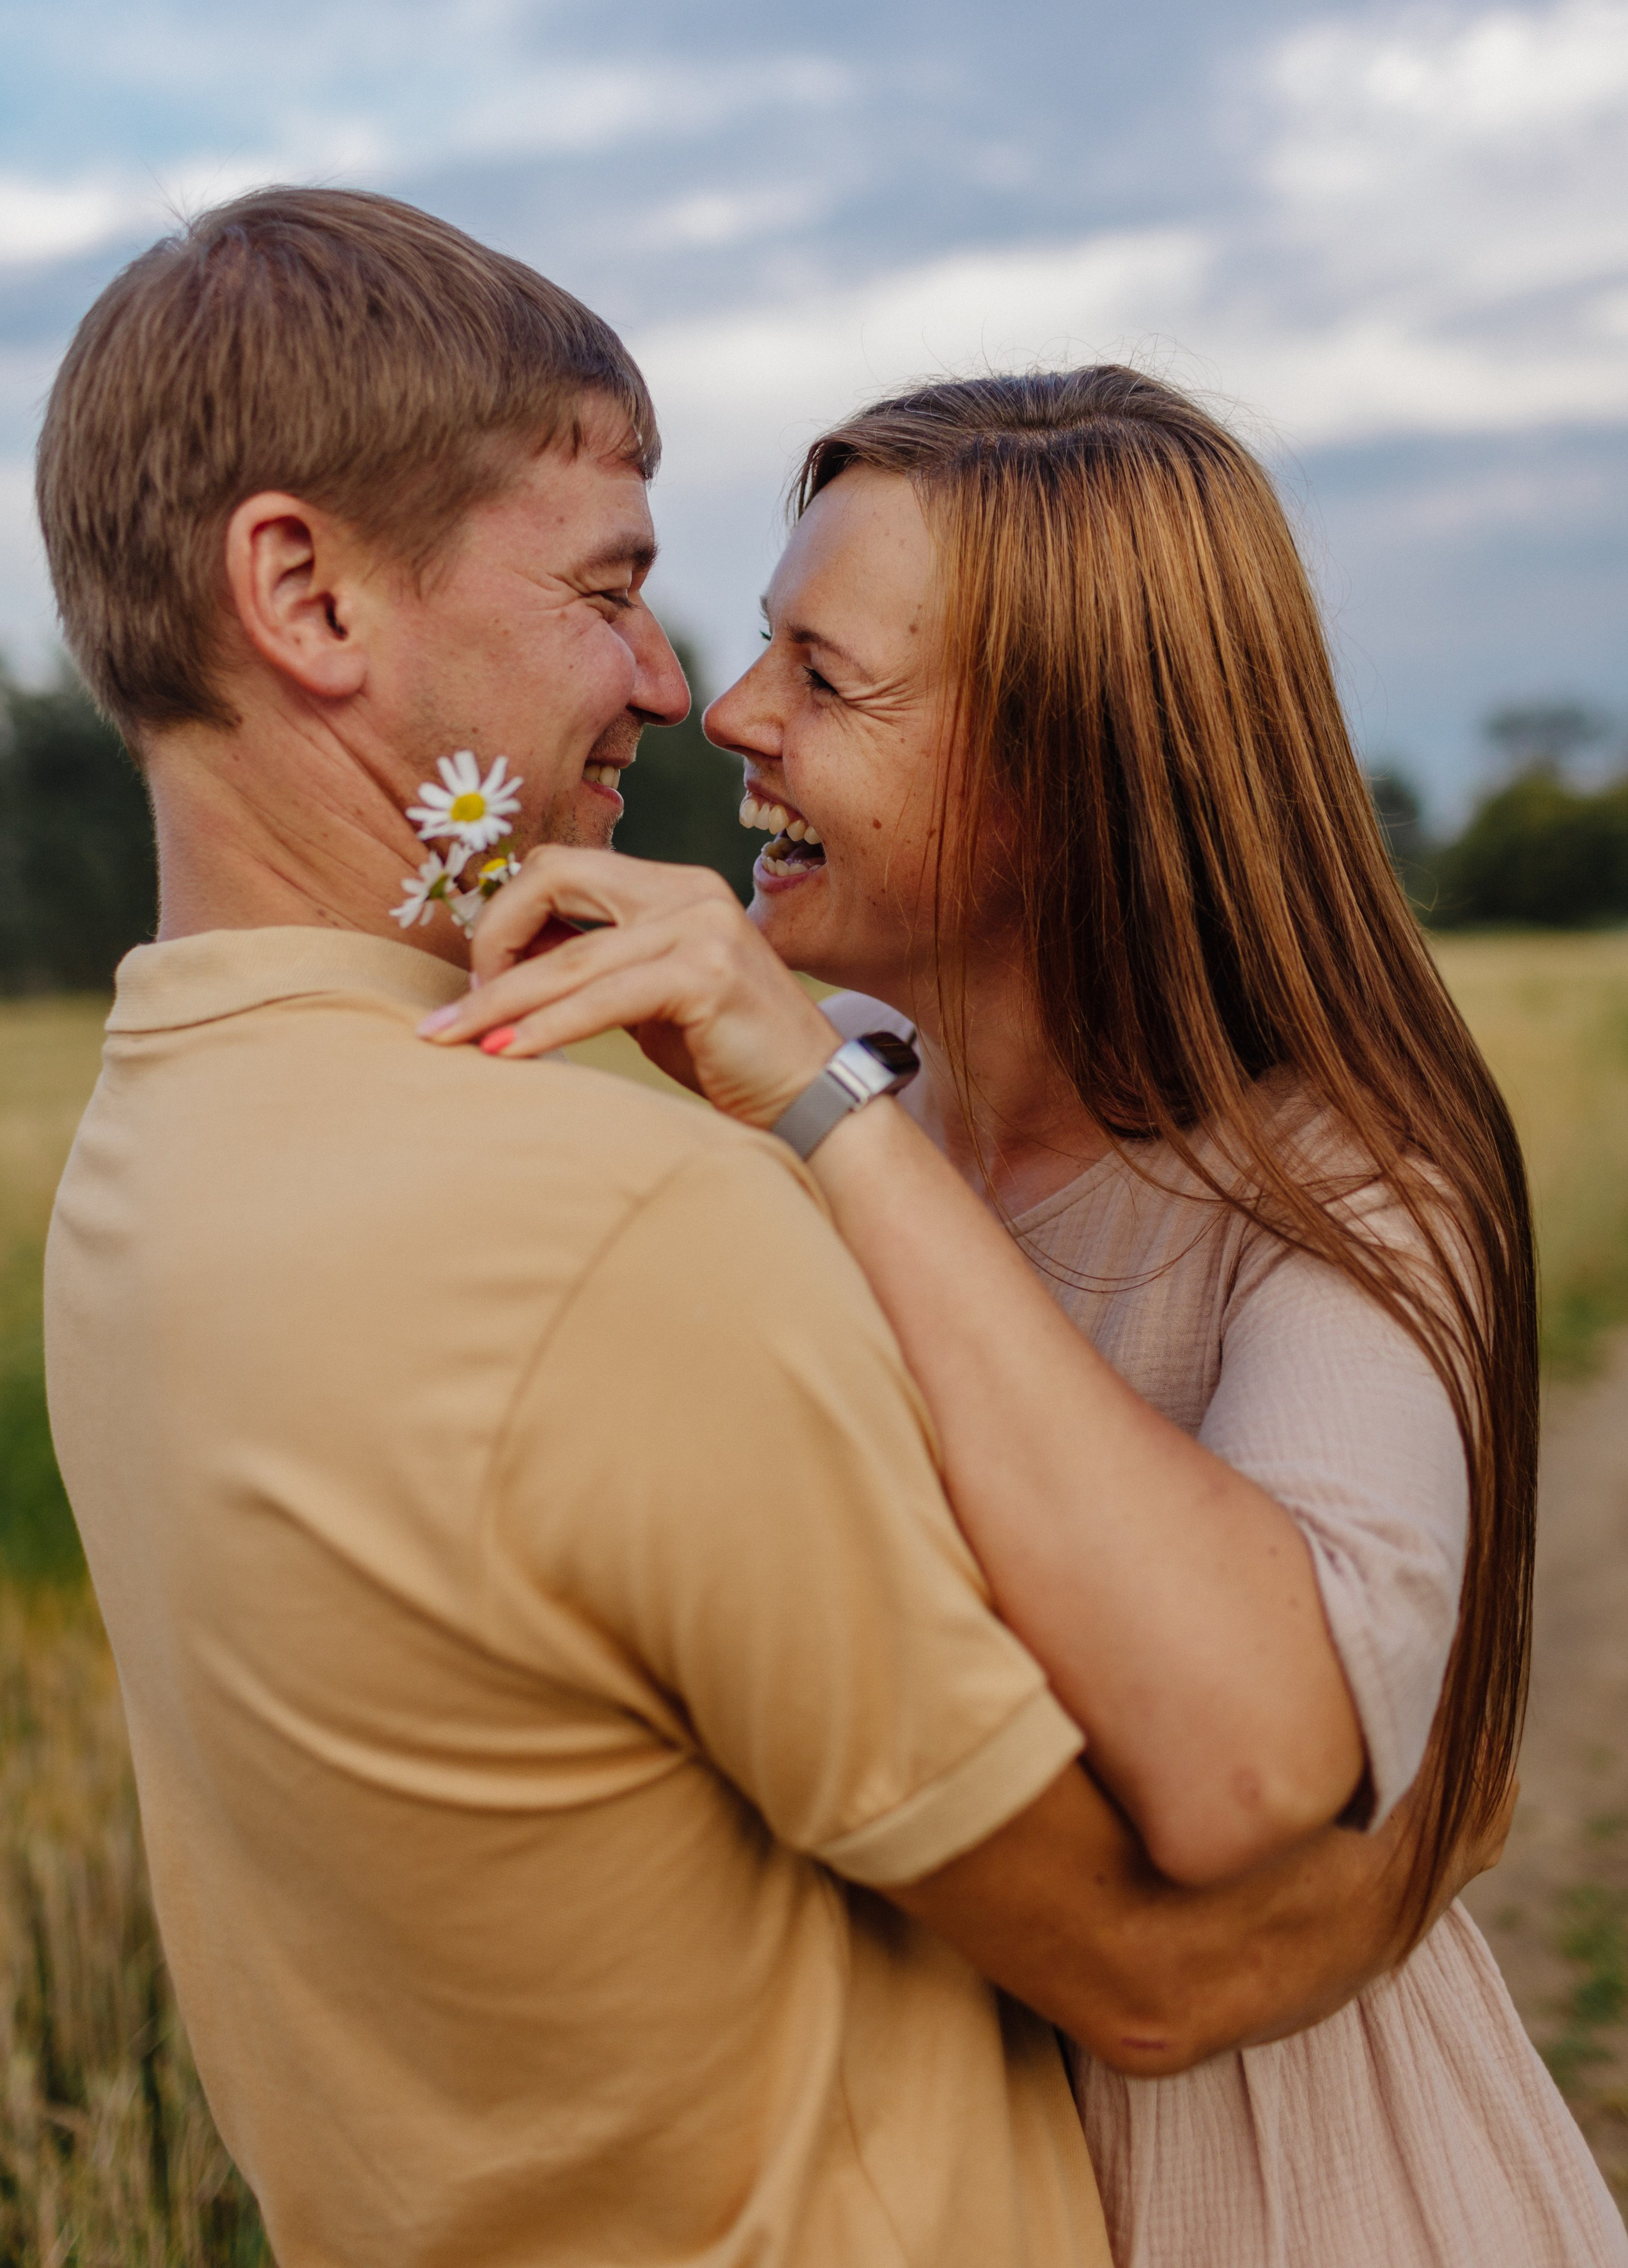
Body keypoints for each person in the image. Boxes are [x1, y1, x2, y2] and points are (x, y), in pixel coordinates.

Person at [35, 199, 1462, 2268]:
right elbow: (1163, 1967)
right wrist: (1440, 1819)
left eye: (808, 660)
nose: (679, 683)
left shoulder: (143, 1155)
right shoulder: (631, 1229)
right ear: (306, 596)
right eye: (614, 586)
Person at [432, 366, 1628, 2267]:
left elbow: (1256, 1768)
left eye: (827, 681)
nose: (731, 715)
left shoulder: (1349, 1172)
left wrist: (820, 1117)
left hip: (1282, 2200)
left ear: (1070, 775)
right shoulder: (838, 1073)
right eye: (765, 646)